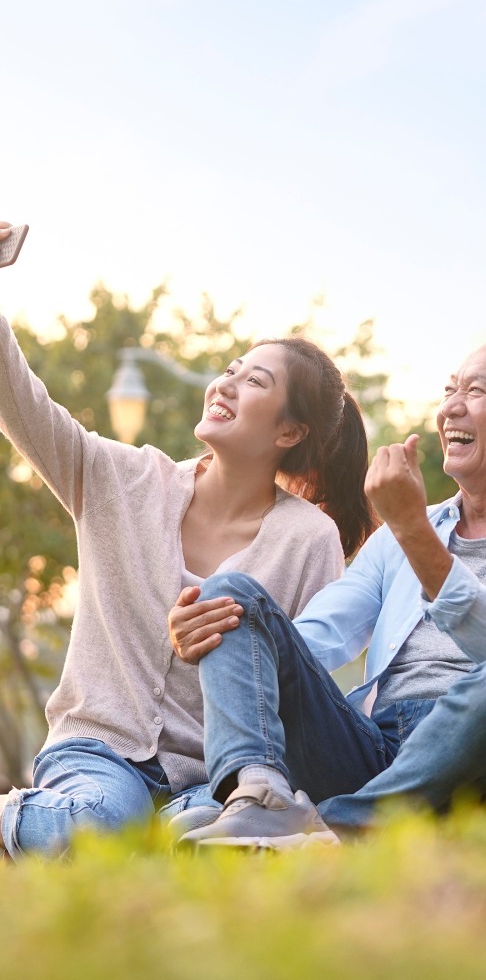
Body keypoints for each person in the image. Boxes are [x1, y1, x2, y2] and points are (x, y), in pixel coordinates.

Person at [0, 221, 376, 859]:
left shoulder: (308, 539)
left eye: (255, 382)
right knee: (96, 826)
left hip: (213, 777)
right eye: (231, 370)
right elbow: (20, 400)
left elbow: (301, 684)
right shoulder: (119, 479)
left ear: (289, 433)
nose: (225, 384)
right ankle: (38, 817)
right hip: (100, 751)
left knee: (200, 836)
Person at [168, 339, 486, 848]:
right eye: (449, 390)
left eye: (476, 392)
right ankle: (258, 797)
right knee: (233, 595)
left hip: (473, 750)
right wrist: (241, 645)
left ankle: (335, 826)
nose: (451, 406)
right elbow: (315, 639)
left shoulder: (408, 528)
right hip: (373, 744)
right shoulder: (398, 537)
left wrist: (413, 529)